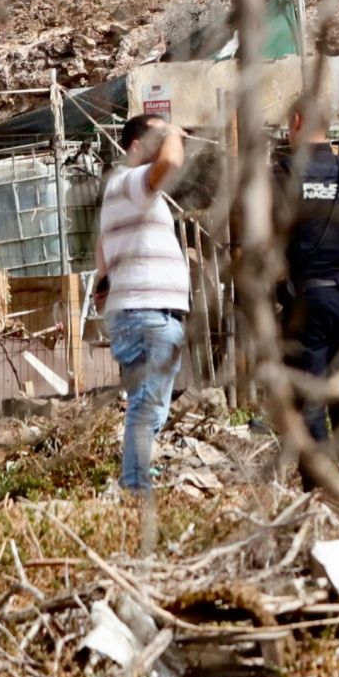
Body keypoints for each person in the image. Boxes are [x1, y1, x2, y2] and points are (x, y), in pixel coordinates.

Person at [93, 114, 189, 547]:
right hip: (147, 314)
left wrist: (106, 279)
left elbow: (102, 250)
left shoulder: (126, 191)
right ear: (136, 145)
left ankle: (134, 483)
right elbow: (171, 161)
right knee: (147, 408)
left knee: (151, 407)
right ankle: (135, 494)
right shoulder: (131, 180)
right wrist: (174, 134)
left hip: (144, 313)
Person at [274, 106, 339, 485]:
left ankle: (319, 486)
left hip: (310, 300)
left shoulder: (282, 175)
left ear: (297, 122)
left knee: (309, 395)